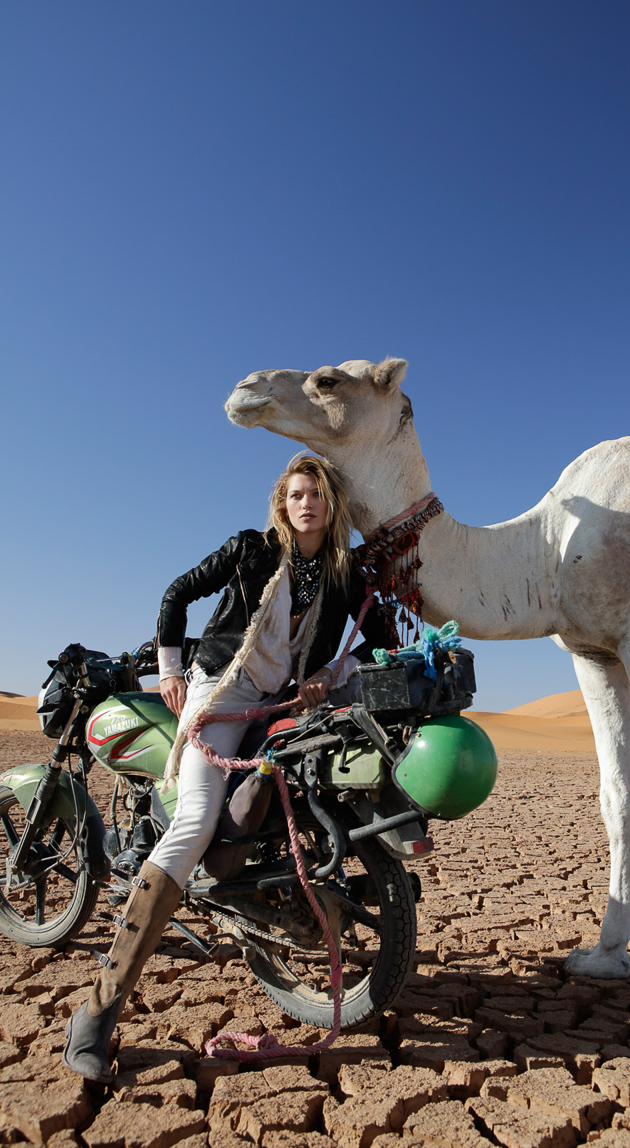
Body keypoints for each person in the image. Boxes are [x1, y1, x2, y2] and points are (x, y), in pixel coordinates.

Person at [63, 453, 390, 1083]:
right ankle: (97, 1012)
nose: (306, 504)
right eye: (296, 494)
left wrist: (333, 671)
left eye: (317, 494)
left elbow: (376, 646)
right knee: (192, 824)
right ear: (282, 501)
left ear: (332, 504)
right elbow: (176, 594)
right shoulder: (249, 550)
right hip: (223, 696)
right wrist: (168, 671)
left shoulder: (346, 574)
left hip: (286, 705)